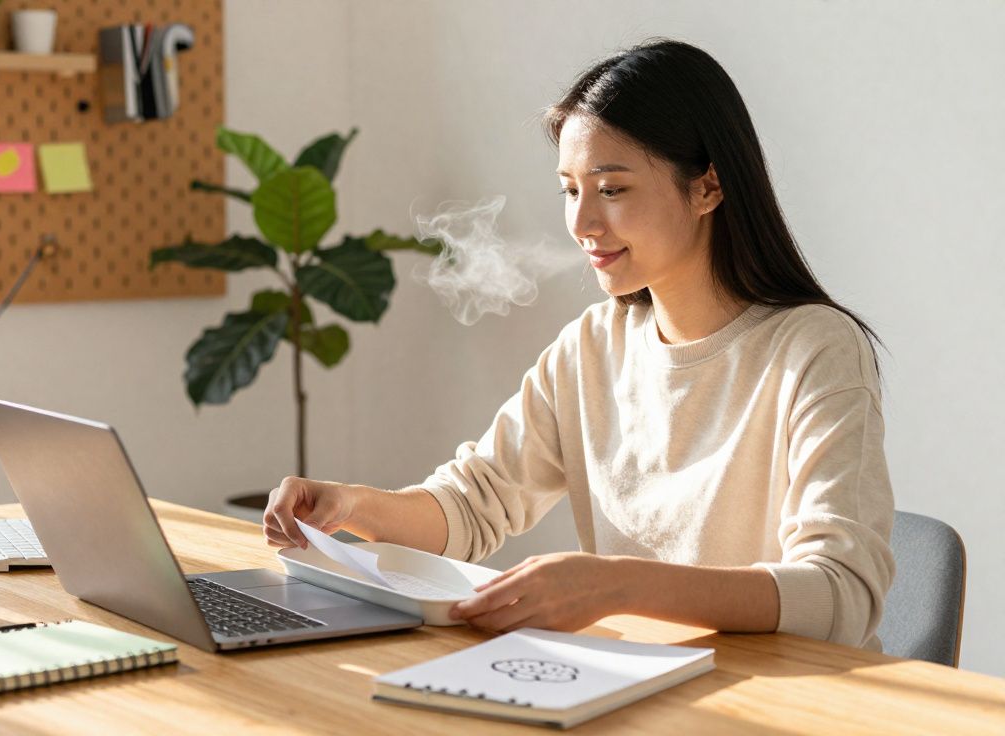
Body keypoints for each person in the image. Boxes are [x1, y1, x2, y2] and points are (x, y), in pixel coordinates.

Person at [263, 39, 894, 651]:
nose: (582, 223)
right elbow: (474, 507)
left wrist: (615, 585)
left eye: (611, 188)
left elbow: (840, 594)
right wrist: (350, 506)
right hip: (646, 688)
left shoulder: (814, 350)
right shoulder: (592, 347)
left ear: (707, 187)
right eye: (570, 189)